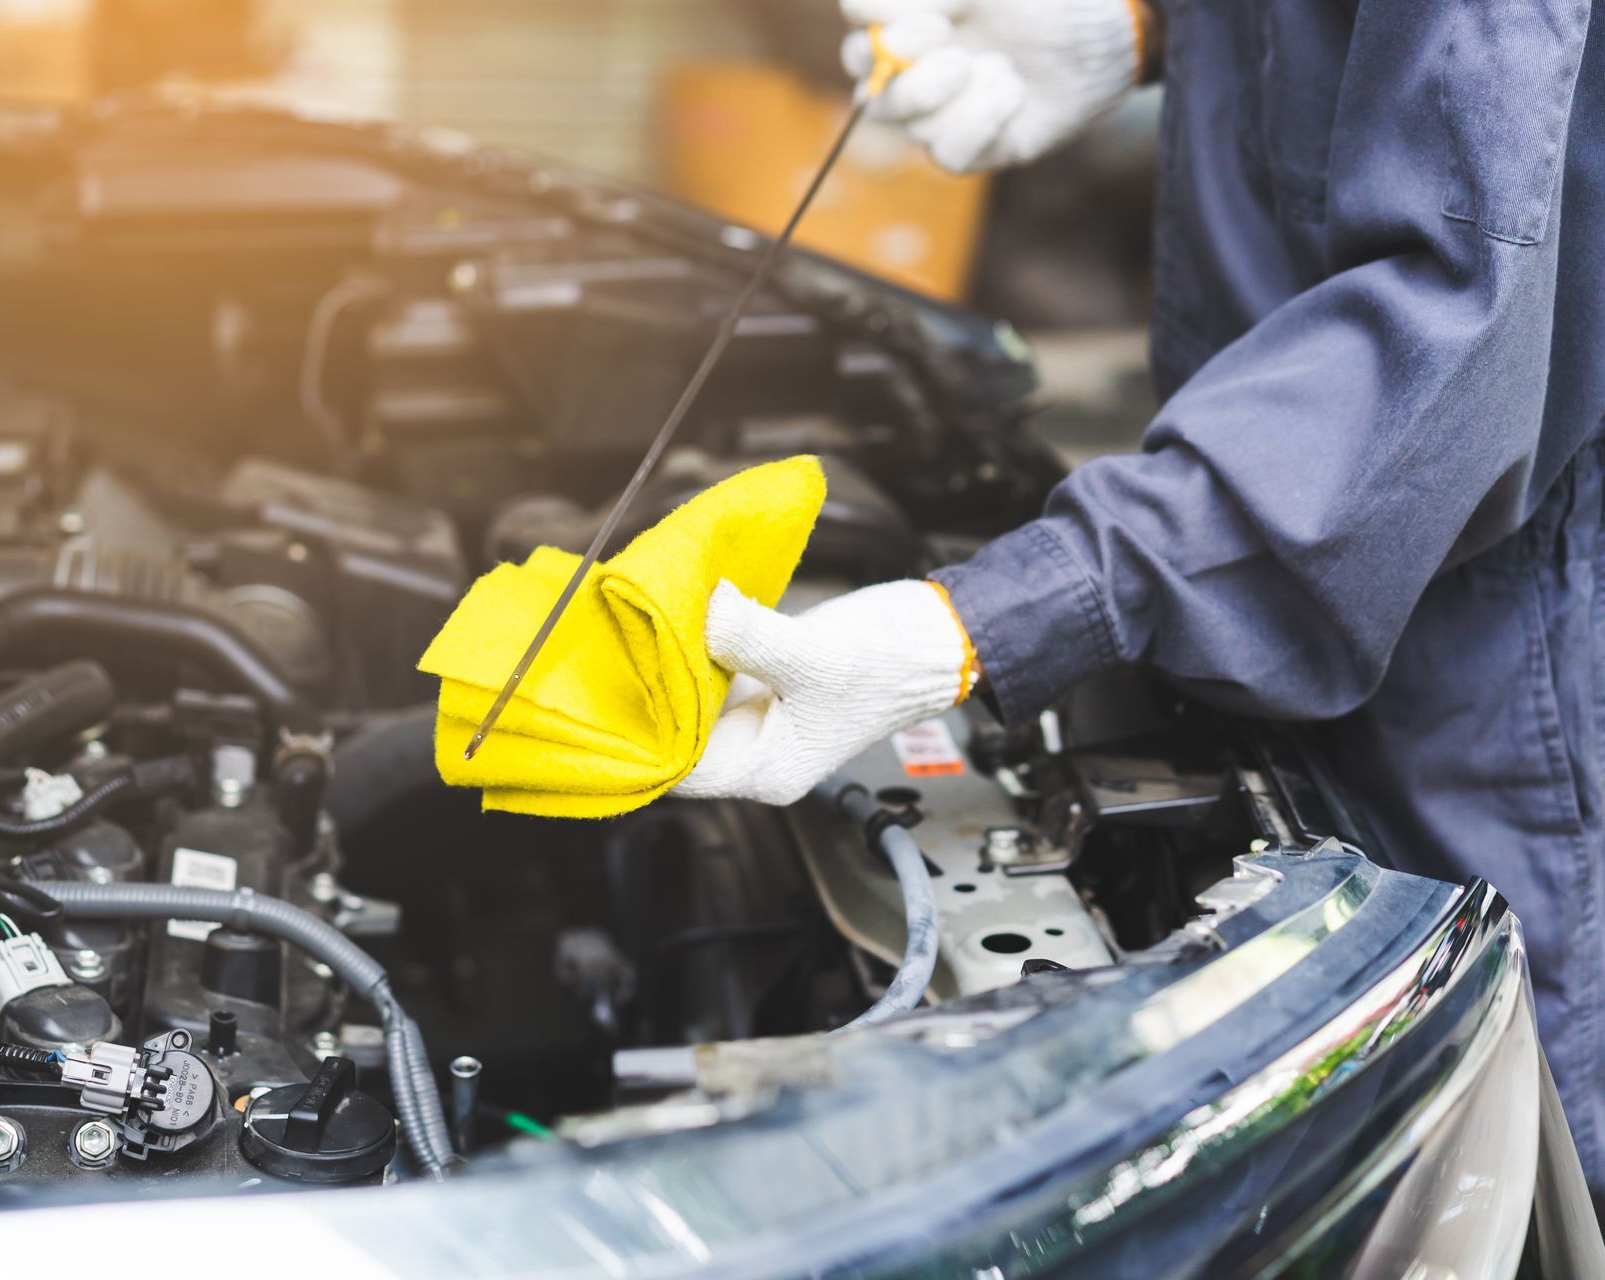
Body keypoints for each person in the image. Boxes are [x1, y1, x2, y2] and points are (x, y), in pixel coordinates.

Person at [673, 0, 1605, 1197]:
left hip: (1477, 643)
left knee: (1480, 1162)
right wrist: (1156, 26)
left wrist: (994, 615)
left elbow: (1458, 330)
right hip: (1257, 526)